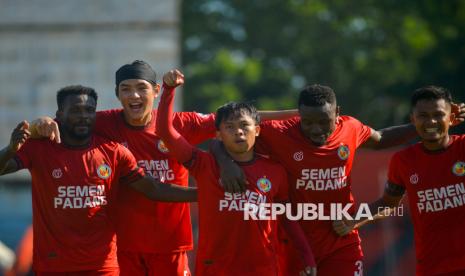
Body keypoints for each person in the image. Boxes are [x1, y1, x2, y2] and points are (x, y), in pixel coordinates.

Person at [31, 60, 299, 276]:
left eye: (141, 87)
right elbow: (65, 121)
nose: (134, 95)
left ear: (156, 91)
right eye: (126, 88)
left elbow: (241, 121)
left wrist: (301, 115)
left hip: (171, 243)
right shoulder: (103, 123)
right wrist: (41, 121)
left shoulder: (179, 124)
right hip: (122, 245)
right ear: (117, 95)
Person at [213, 84, 464, 275]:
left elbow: (381, 140)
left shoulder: (351, 128)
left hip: (341, 238)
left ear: (338, 114)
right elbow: (223, 128)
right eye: (307, 121)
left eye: (323, 122)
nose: (315, 129)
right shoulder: (277, 132)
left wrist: (432, 124)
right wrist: (226, 163)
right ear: (298, 115)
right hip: (294, 243)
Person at [0, 85, 197, 275]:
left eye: (89, 110)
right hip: (53, 264)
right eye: (76, 110)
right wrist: (10, 150)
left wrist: (204, 193)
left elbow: (154, 189)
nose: (83, 116)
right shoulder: (40, 148)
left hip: (102, 266)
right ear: (59, 115)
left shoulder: (114, 152)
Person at [156, 70, 317, 276]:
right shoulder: (204, 165)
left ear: (257, 130)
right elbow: (165, 132)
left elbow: (287, 219)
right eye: (229, 127)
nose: (238, 131)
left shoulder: (275, 171)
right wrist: (169, 90)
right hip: (216, 269)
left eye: (244, 125)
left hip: (263, 268)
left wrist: (306, 256)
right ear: (218, 135)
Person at [332, 86, 465, 276]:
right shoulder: (404, 160)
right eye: (423, 116)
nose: (431, 121)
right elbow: (388, 203)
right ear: (413, 119)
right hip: (432, 266)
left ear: (451, 117)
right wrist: (354, 221)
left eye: (438, 114)